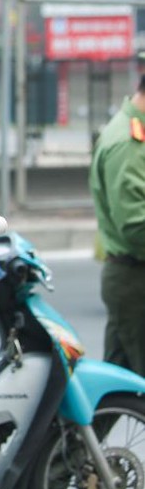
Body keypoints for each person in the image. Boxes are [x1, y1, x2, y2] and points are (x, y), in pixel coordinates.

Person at [90, 54, 145, 378]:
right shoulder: (128, 142)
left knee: (116, 389)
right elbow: (136, 225)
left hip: (131, 279)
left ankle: (73, 433)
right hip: (135, 281)